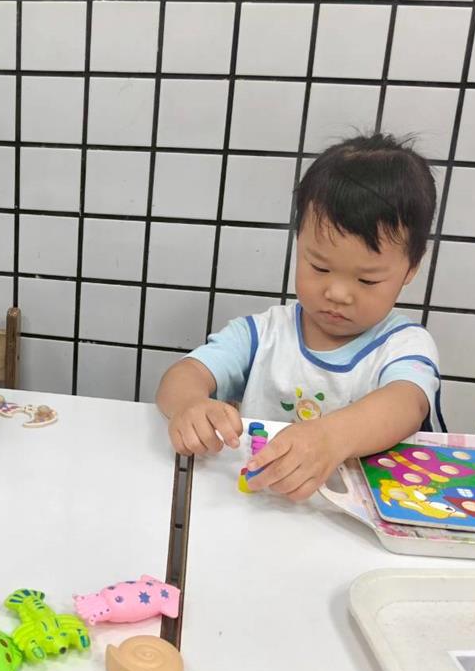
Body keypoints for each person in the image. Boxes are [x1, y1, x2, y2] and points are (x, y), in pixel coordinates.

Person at [156, 133, 443, 501]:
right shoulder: (264, 334)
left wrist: (331, 438)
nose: (337, 293)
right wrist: (189, 405)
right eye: (319, 267)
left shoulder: (404, 345)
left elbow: (406, 404)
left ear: (410, 269)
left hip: (357, 526)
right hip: (260, 513)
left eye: (367, 280)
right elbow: (184, 374)